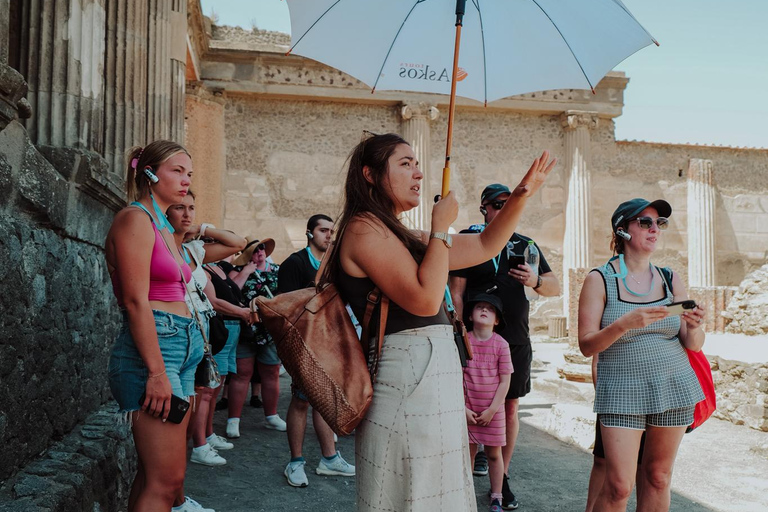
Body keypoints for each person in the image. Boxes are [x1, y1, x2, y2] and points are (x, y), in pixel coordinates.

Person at [317, 132, 556, 511]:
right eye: (405, 164)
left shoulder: (397, 232)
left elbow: (483, 246)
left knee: (435, 488)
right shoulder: (364, 229)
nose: (418, 174)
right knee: (413, 489)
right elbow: (426, 298)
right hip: (407, 373)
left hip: (429, 372)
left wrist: (522, 195)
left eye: (417, 164)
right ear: (369, 173)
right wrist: (442, 227)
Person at [578, 198, 706, 512]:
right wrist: (624, 324)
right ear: (622, 230)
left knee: (658, 477)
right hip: (621, 389)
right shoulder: (600, 279)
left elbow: (693, 344)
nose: (654, 229)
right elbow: (586, 345)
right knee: (619, 486)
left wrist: (697, 325)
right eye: (644, 222)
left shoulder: (669, 277)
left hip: (673, 386)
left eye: (659, 223)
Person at [449, 183, 561, 509]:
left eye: (508, 203)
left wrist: (535, 281)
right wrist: (459, 330)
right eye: (497, 204)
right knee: (471, 401)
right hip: (475, 337)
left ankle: (503, 475)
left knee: (509, 407)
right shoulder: (470, 242)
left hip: (514, 338)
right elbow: (456, 290)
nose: (503, 209)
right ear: (484, 208)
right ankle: (467, 474)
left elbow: (553, 287)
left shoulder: (526, 244)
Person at [106, 141, 203, 511]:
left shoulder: (162, 225)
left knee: (156, 477)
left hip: (181, 345)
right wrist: (157, 372)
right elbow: (134, 301)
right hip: (155, 350)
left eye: (189, 173)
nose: (185, 180)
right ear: (149, 173)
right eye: (177, 171)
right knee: (166, 483)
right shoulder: (135, 219)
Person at [165, 192, 246, 510]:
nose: (187, 213)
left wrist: (200, 227)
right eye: (179, 208)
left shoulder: (193, 250)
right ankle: (176, 496)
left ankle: (179, 498)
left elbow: (236, 242)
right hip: (175, 335)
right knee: (176, 421)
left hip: (198, 334)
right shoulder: (162, 245)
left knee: (193, 408)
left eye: (191, 208)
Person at [280, 214, 355, 487]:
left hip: (332, 340)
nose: (329, 235)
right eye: (323, 230)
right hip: (304, 341)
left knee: (325, 398)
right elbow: (284, 305)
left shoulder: (336, 265)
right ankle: (295, 462)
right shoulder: (295, 263)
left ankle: (329, 458)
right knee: (301, 400)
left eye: (332, 231)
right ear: (310, 233)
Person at [226, 236, 286, 437]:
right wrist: (245, 271)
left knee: (271, 372)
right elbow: (231, 292)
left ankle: (271, 416)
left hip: (270, 330)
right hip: (246, 328)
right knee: (241, 373)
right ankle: (233, 420)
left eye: (262, 248)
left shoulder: (277, 271)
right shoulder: (237, 272)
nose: (259, 252)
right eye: (254, 249)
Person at [463, 294, 513, 512]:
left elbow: (505, 381)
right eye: (479, 307)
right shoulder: (463, 340)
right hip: (467, 409)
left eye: (490, 309)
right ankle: (466, 496)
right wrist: (462, 408)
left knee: (494, 454)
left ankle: (496, 497)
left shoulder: (501, 344)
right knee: (468, 455)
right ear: (470, 315)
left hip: (493, 411)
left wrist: (493, 410)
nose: (484, 310)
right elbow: (455, 374)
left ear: (496, 320)